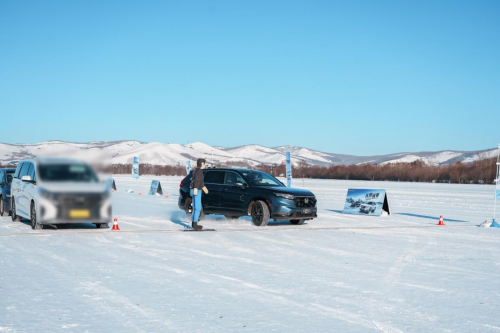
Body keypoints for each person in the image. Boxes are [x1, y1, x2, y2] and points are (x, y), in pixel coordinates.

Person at [191, 158, 209, 230]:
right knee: (197, 208)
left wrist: (203, 187)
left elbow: (199, 181)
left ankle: (194, 223)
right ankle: (195, 224)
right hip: (197, 190)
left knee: (195, 207)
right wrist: (195, 188)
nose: (205, 165)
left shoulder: (197, 171)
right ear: (202, 164)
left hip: (197, 189)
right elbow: (196, 180)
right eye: (204, 163)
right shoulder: (198, 172)